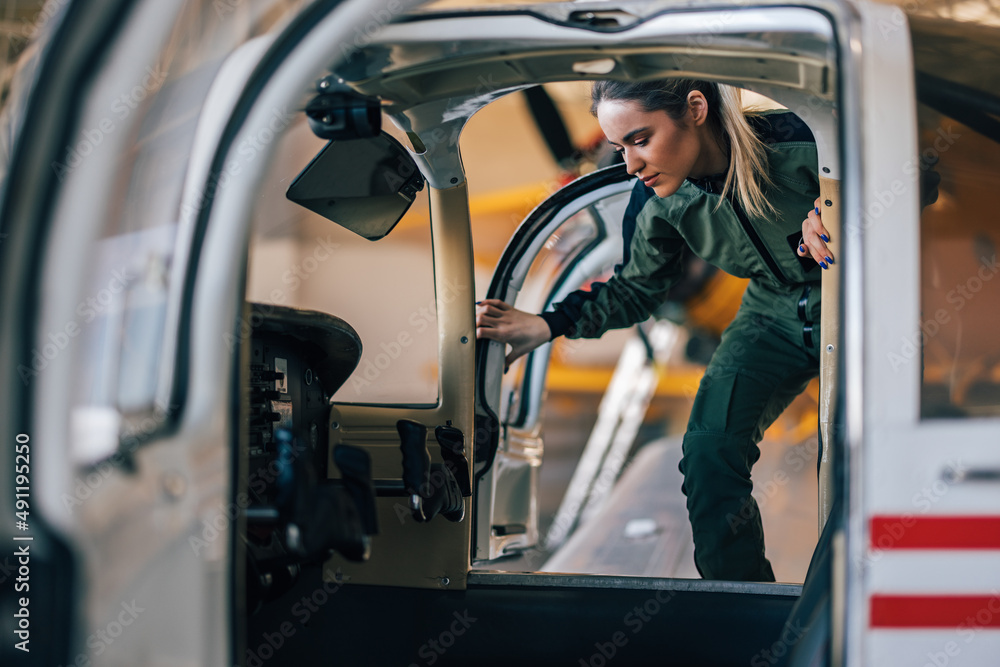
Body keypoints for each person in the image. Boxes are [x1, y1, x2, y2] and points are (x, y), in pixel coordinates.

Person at [475, 79, 833, 582]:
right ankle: (742, 611)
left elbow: (916, 175)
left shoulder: (797, 140)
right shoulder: (654, 201)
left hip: (857, 302)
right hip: (769, 313)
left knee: (853, 456)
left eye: (641, 140)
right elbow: (636, 288)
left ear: (695, 109)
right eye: (620, 148)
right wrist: (548, 324)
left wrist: (836, 206)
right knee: (708, 453)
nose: (629, 166)